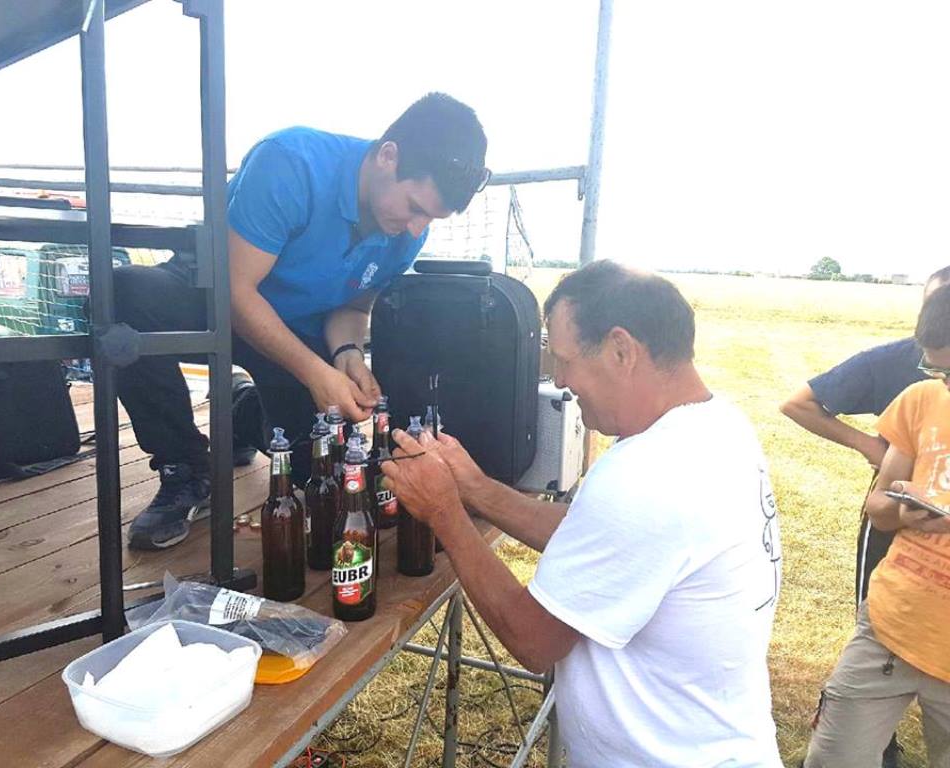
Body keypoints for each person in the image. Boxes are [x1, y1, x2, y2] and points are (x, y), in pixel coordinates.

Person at [382, 261, 784, 767]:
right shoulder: (715, 425)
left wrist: (445, 513)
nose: (560, 380)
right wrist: (476, 488)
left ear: (621, 350)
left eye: (564, 359)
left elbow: (533, 639)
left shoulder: (647, 473)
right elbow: (598, 534)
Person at [114, 93, 488, 549]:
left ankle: (243, 415)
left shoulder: (407, 234)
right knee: (126, 294)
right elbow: (236, 293)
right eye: (415, 207)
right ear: (388, 156)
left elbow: (354, 307)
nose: (416, 229)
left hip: (295, 328)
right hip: (213, 298)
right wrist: (314, 372)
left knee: (321, 472)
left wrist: (347, 355)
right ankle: (186, 468)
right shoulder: (290, 163)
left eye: (430, 218)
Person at [781, 267, 950, 768]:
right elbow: (878, 508)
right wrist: (905, 509)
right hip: (889, 626)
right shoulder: (922, 399)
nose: (944, 384)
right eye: (939, 371)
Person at [781, 267, 950, 604]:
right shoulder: (890, 361)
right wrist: (871, 446)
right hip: (897, 511)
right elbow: (798, 404)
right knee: (873, 603)